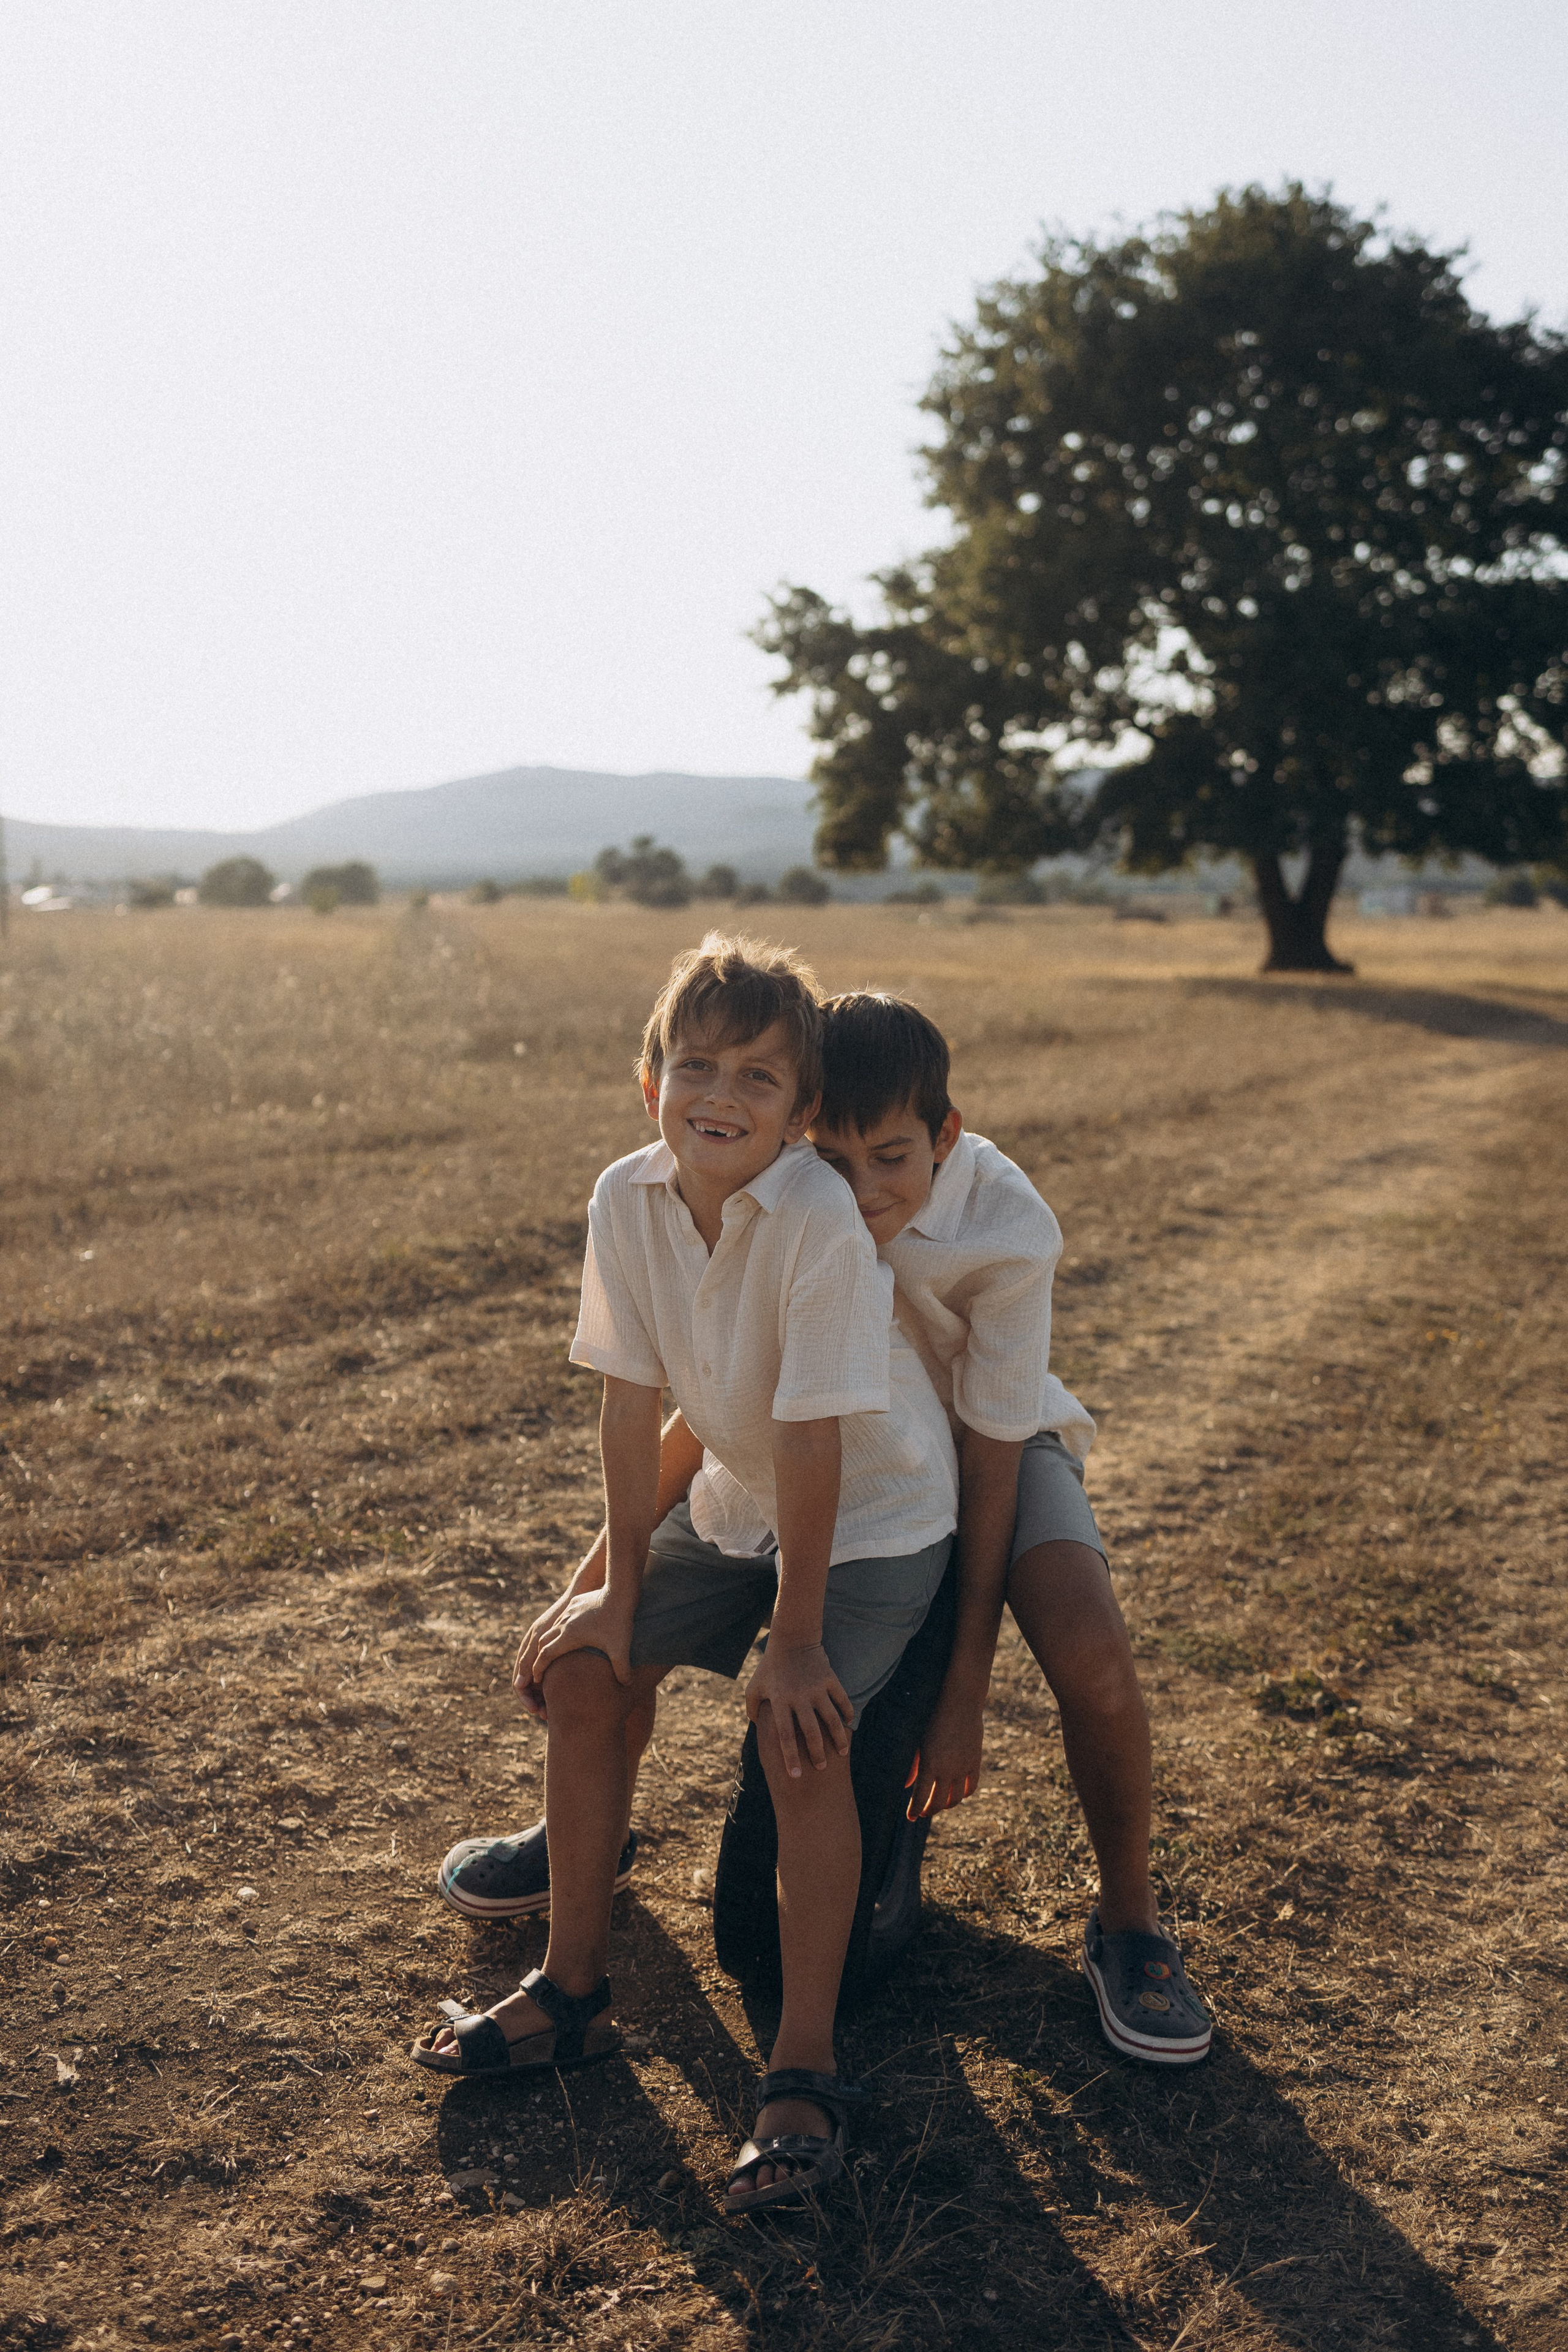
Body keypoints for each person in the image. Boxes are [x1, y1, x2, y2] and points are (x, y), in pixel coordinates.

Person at [410, 937, 959, 2209]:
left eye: (759, 1077)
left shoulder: (818, 1219)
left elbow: (815, 1439)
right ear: (649, 1077)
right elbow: (627, 1403)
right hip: (734, 1501)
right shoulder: (625, 1197)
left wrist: (796, 1641)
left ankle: (804, 2064)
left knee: (799, 1738)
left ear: (800, 1109)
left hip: (874, 1517)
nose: (721, 1095)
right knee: (586, 1674)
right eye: (696, 1066)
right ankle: (572, 1991)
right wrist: (611, 1590)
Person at [794, 991, 1210, 2064]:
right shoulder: (783, 1185)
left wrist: (966, 1692)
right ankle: (579, 1837)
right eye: (833, 1160)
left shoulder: (1006, 1221)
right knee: (656, 1586)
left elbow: (991, 1456)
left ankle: (1130, 1924)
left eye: (892, 1156)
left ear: (946, 1133)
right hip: (848, 1447)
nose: (863, 1190)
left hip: (993, 1441)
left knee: (1091, 1647)